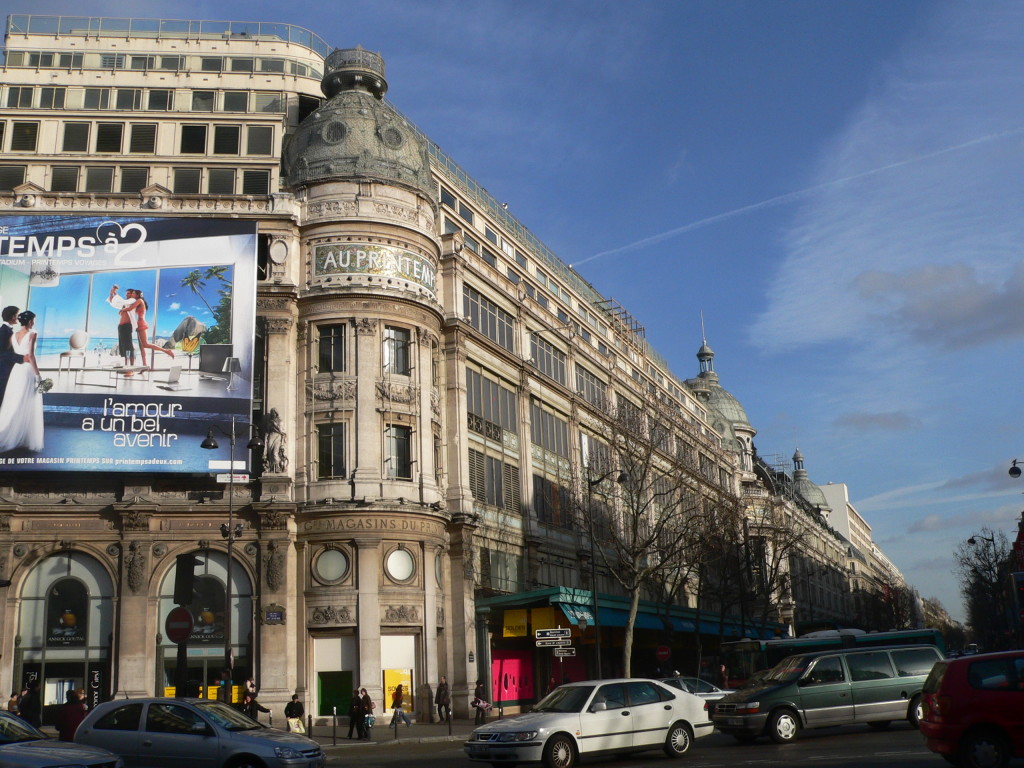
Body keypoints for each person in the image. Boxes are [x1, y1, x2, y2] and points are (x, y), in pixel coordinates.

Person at [0, 311, 44, 453]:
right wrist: (37, 374)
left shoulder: (13, 335)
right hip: (26, 370)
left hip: (16, 371)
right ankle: (23, 436)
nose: (34, 322)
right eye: (34, 319)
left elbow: (13, 353)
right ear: (30, 321)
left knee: (15, 400)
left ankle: (14, 433)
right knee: (28, 400)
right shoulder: (32, 334)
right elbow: (30, 355)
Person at [128, 289, 173, 367]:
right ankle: (144, 365)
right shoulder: (138, 302)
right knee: (142, 347)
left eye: (134, 293)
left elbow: (130, 308)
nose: (132, 294)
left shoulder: (139, 300)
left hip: (141, 324)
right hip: (139, 324)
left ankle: (166, 351)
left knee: (145, 344)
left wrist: (122, 309)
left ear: (138, 295)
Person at [0, 305, 27, 410]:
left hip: (8, 367)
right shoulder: (3, 331)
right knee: (2, 393)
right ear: (12, 317)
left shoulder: (8, 330)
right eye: (17, 315)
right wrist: (22, 358)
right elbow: (2, 353)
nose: (19, 317)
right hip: (3, 369)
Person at [106, 285, 136, 367]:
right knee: (124, 347)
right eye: (126, 294)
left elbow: (121, 301)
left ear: (133, 294)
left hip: (127, 326)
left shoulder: (133, 301)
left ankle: (131, 367)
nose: (127, 295)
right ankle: (126, 366)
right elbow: (113, 303)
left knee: (129, 346)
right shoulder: (124, 304)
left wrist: (115, 293)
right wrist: (112, 292)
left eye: (129, 293)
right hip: (121, 327)